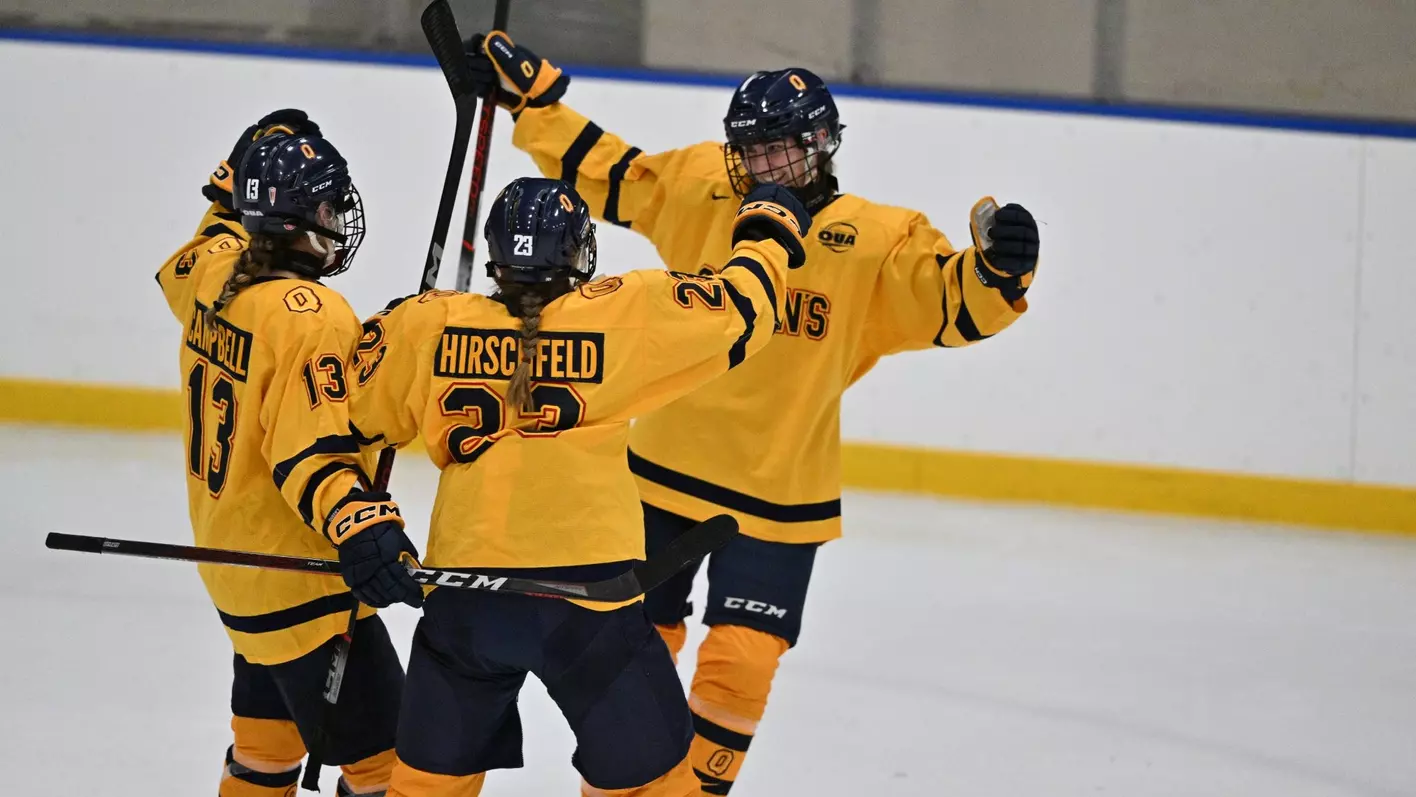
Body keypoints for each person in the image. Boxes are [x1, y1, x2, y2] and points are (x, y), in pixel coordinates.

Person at [465, 33, 1043, 793]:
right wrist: (537, 105)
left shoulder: (877, 240)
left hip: (780, 492)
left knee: (741, 665)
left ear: (822, 144)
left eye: (780, 149)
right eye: (749, 150)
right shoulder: (705, 185)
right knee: (634, 646)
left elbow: (950, 301)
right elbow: (617, 177)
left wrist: (1001, 270)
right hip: (659, 474)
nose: (762, 167)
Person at [343, 175, 810, 797]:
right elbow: (743, 312)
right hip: (588, 602)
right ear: (577, 251)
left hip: (465, 598)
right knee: (652, 786)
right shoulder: (624, 310)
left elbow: (341, 421)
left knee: (425, 788)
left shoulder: (428, 322)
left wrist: (360, 521)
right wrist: (767, 233)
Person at [155, 109, 424, 797]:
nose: (338, 218)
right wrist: (361, 525)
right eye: (329, 207)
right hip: (301, 580)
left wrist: (233, 182)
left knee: (264, 750)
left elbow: (208, 237)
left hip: (237, 570)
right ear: (303, 220)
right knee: (391, 771)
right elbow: (310, 450)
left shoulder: (214, 274)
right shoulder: (311, 316)